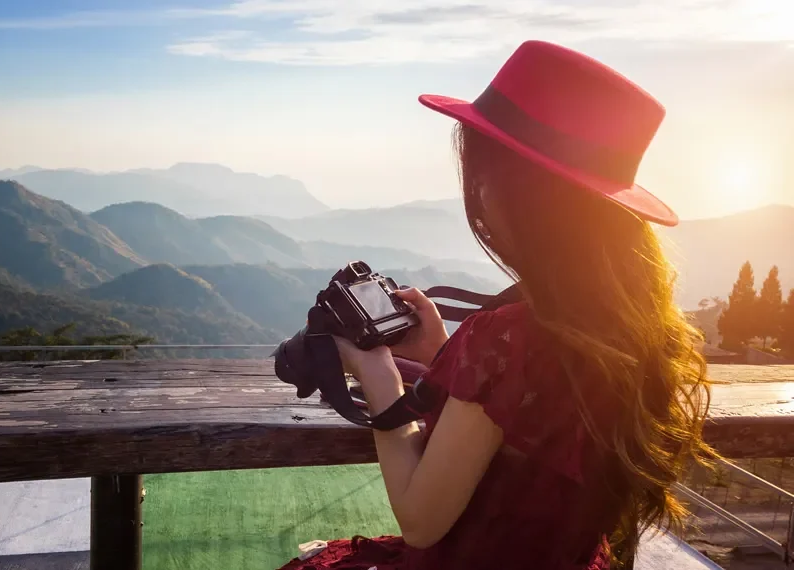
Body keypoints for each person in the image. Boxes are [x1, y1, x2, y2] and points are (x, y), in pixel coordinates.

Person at [278, 40, 716, 570]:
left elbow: (421, 522)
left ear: (514, 190)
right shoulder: (627, 331)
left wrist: (376, 373)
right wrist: (448, 355)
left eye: (482, 168)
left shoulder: (510, 336)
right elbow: (525, 437)